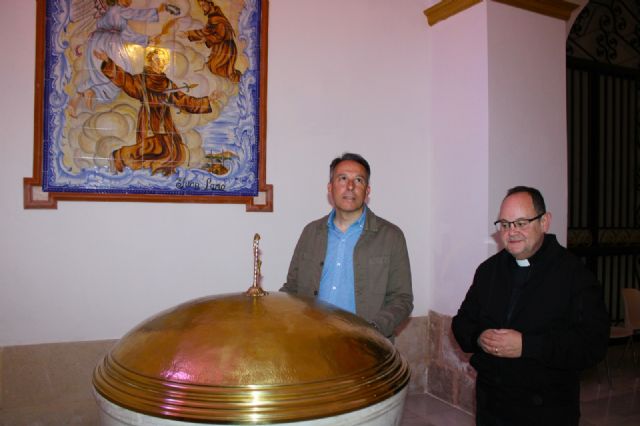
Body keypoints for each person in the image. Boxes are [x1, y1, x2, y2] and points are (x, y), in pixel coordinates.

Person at [451, 186, 609, 426]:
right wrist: (479, 337)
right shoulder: (488, 271)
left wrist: (527, 346)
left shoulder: (574, 274)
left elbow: (592, 344)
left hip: (548, 410)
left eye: (521, 223)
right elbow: (461, 322)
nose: (512, 232)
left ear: (544, 221)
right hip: (492, 406)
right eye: (504, 224)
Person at [280, 153, 413, 339]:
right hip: (311, 343)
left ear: (367, 191)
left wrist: (373, 330)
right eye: (342, 178)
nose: (350, 186)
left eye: (358, 180)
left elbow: (402, 299)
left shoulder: (391, 236)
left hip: (366, 348)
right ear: (330, 188)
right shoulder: (310, 233)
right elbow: (292, 289)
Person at [95, 48, 216, 176]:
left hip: (165, 120)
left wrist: (207, 101)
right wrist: (108, 62)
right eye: (157, 61)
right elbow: (125, 80)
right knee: (150, 147)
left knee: (175, 151)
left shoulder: (167, 84)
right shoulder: (141, 80)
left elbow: (184, 101)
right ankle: (119, 157)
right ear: (150, 61)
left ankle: (158, 174)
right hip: (149, 119)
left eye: (163, 62)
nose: (160, 64)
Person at [70, 0, 170, 115]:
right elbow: (134, 20)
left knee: (104, 75)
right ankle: (87, 93)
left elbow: (128, 29)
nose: (129, 1)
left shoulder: (113, 12)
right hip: (107, 44)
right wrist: (157, 14)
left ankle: (86, 93)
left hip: (101, 42)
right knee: (115, 75)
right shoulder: (117, 10)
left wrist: (147, 39)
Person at [180, 0, 242, 82]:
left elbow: (220, 36)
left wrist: (206, 38)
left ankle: (240, 81)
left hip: (225, 50)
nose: (202, 8)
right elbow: (205, 32)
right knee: (215, 71)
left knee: (218, 71)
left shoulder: (217, 18)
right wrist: (189, 34)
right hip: (221, 48)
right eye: (201, 6)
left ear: (210, 3)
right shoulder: (213, 17)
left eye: (203, 5)